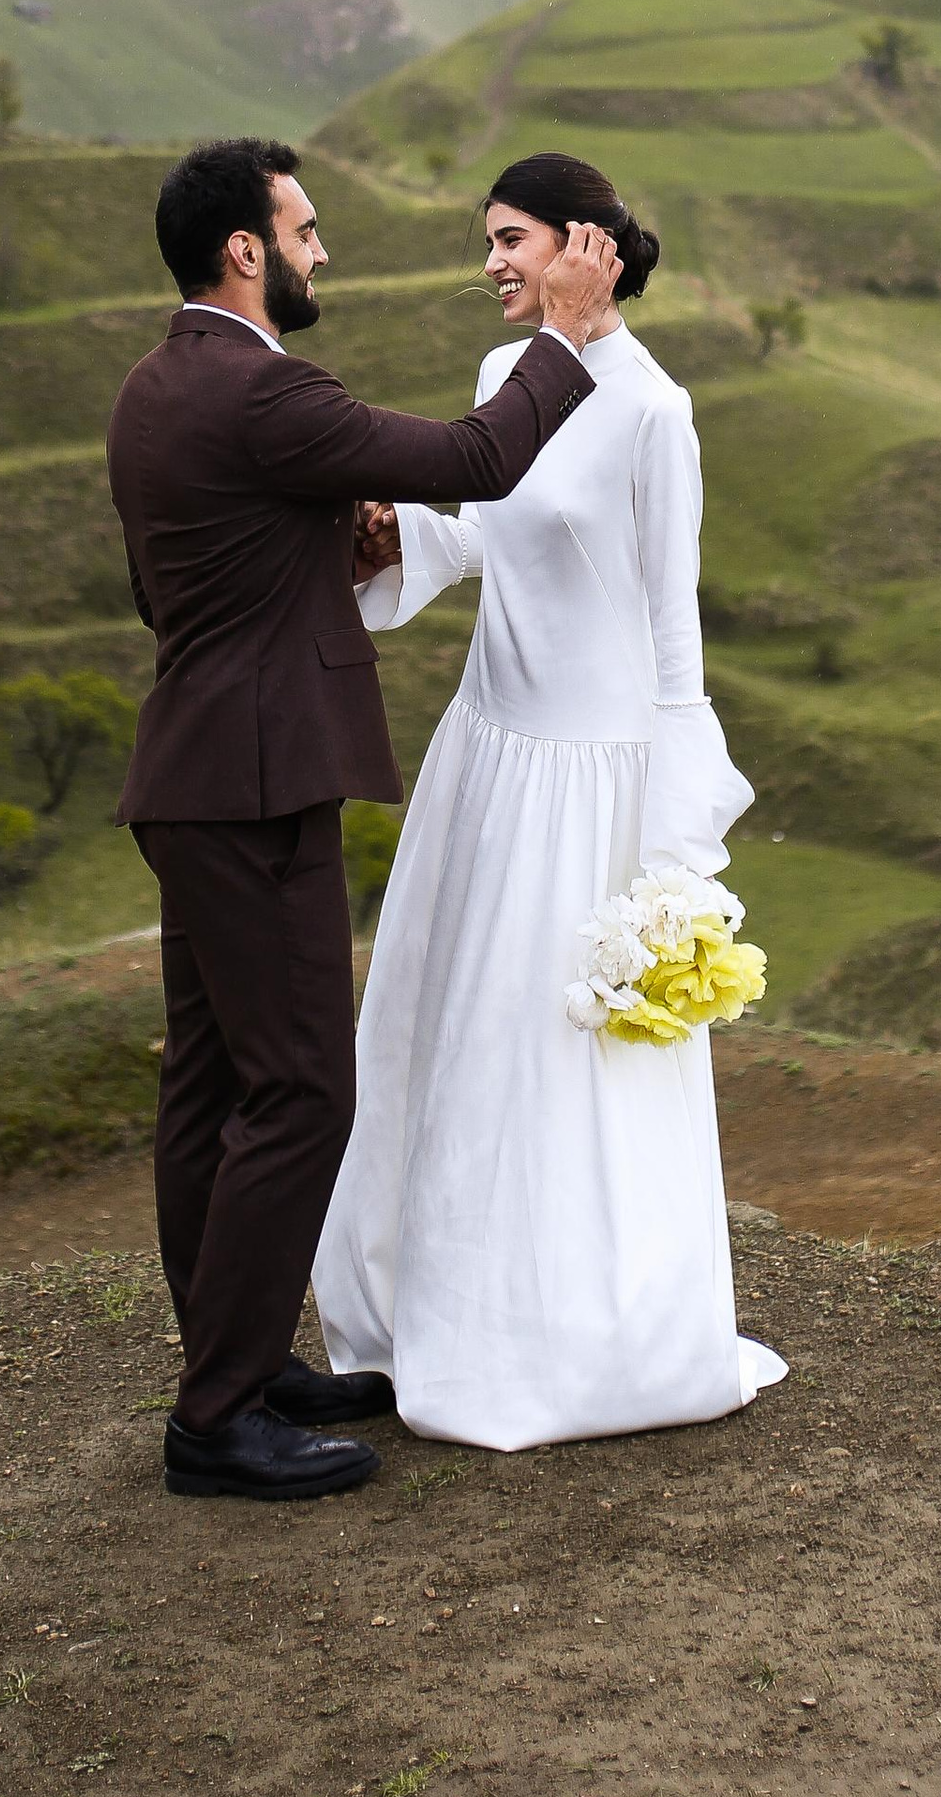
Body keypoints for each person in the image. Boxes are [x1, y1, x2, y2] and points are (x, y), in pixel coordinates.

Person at [108, 135, 622, 1503]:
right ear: (245, 251)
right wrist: (566, 336)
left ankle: (242, 1361)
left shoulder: (157, 388)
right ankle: (216, 1417)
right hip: (258, 786)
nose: (321, 251)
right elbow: (479, 456)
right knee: (301, 1093)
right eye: (307, 229)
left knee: (212, 1088)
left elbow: (190, 587)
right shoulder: (269, 393)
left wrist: (321, 544)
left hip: (194, 772)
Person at [313, 150, 787, 1450]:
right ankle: (438, 1313)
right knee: (450, 1033)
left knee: (564, 1053)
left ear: (586, 246)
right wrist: (406, 535)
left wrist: (676, 845)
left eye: (511, 238)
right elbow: (492, 523)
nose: (490, 262)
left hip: (596, 782)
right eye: (489, 241)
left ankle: (577, 1341)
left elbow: (671, 631)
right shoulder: (501, 381)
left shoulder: (655, 412)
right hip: (489, 759)